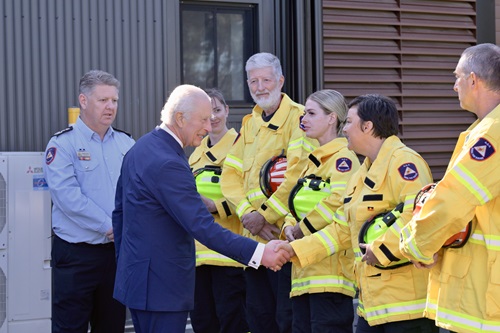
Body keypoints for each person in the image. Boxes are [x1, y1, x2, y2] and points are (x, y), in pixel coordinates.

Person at [112, 84, 291, 333]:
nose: (209, 126)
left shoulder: (140, 149)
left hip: (141, 283)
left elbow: (120, 216)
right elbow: (201, 226)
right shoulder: (169, 163)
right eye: (204, 119)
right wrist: (261, 254)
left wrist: (129, 269)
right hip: (163, 289)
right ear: (180, 118)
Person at [276, 94, 439, 332]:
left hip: (407, 309)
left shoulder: (405, 163)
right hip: (370, 308)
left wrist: (382, 248)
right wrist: (294, 249)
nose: (344, 130)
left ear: (368, 126)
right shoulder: (359, 177)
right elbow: (341, 230)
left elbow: (416, 216)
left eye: (349, 122)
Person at [399, 43, 500, 333]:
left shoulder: (492, 133)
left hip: (482, 300)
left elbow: (454, 200)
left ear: (473, 80)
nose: (454, 86)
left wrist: (416, 246)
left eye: (457, 77)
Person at [221, 52, 316, 333]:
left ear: (280, 80)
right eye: (253, 81)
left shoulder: (300, 118)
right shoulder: (250, 122)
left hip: (282, 237)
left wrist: (264, 216)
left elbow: (296, 176)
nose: (260, 87)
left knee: (285, 319)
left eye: (266, 80)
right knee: (259, 318)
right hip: (254, 238)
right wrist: (248, 215)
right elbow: (230, 176)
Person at [44, 70, 135, 333]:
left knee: (112, 326)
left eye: (114, 100)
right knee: (69, 328)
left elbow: (139, 192)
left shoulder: (127, 144)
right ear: (83, 101)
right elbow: (67, 197)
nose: (110, 107)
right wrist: (110, 226)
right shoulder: (63, 144)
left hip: (116, 256)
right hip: (76, 256)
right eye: (103, 100)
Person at [281, 89, 360, 332]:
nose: (304, 119)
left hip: (330, 279)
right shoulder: (311, 164)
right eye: (304, 113)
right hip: (302, 276)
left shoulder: (344, 159)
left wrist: (300, 228)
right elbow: (292, 205)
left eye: (312, 113)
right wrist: (286, 227)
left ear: (332, 118)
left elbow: (338, 202)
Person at [188, 88, 249, 333]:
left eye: (217, 110)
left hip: (229, 255)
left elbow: (249, 196)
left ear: (227, 111)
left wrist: (215, 206)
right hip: (198, 256)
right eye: (206, 112)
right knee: (203, 323)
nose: (212, 117)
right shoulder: (195, 154)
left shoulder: (240, 147)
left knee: (232, 322)